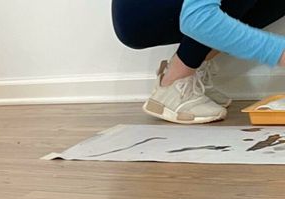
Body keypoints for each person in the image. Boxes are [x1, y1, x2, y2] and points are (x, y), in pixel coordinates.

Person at [112, 0, 285, 123]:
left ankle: (192, 68)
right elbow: (198, 17)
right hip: (138, 10)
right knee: (206, 14)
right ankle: (173, 83)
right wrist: (279, 52)